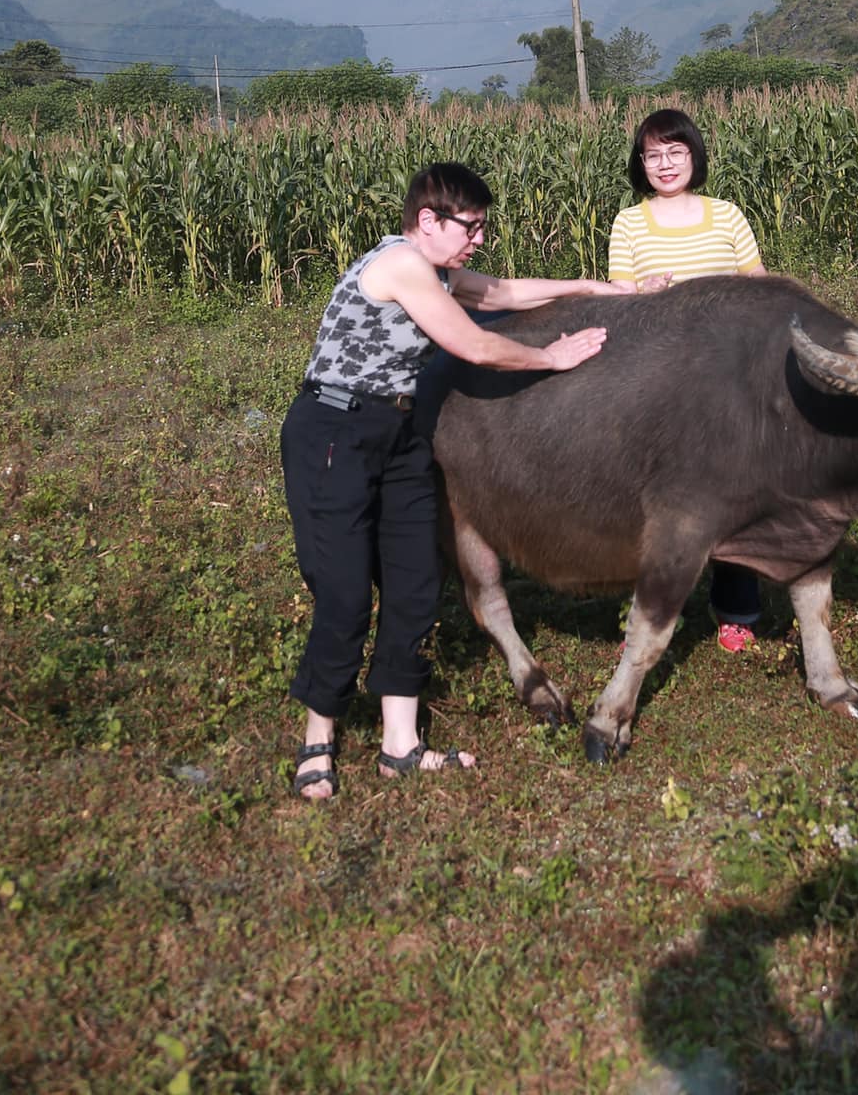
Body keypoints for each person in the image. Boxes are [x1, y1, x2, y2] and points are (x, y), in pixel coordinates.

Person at [284, 160, 631, 800]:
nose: (478, 239)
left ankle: (400, 745)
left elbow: (501, 293)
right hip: (335, 431)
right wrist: (551, 357)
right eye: (470, 227)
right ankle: (318, 737)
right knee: (344, 592)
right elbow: (473, 344)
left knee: (416, 584)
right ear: (428, 220)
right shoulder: (399, 266)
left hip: (400, 433)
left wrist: (595, 287)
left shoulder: (437, 270)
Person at [607, 107, 767, 653]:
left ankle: (737, 608)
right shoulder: (629, 223)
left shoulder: (727, 215)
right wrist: (640, 292)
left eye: (676, 151)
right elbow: (616, 301)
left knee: (734, 492)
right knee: (653, 500)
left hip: (729, 375)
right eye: (653, 155)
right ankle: (651, 607)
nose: (665, 163)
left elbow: (760, 287)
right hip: (660, 379)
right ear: (641, 165)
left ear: (694, 156)